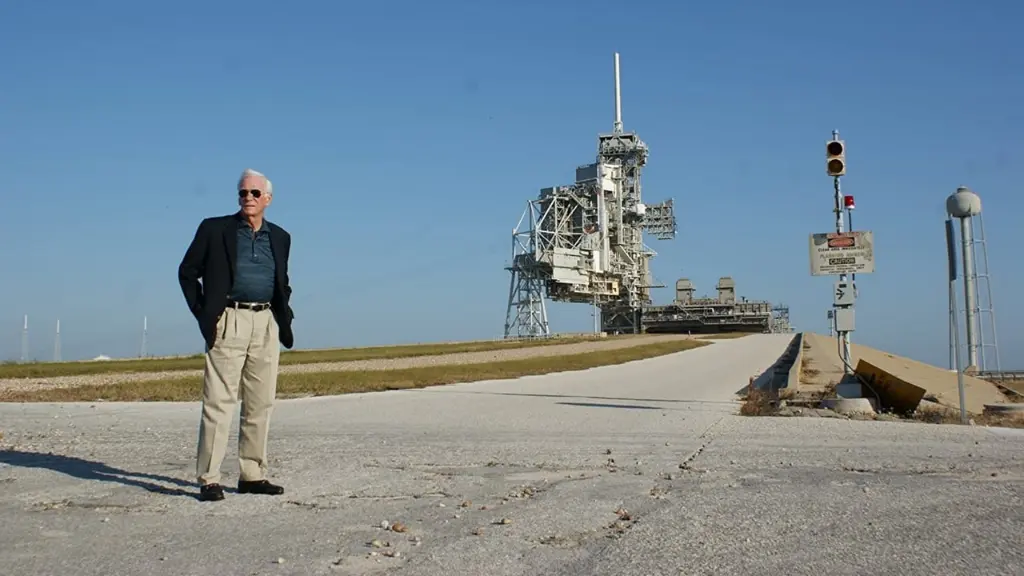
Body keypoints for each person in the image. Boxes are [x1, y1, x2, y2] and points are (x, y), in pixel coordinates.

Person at [177, 168, 295, 502]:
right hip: (228, 320)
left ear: (268, 199)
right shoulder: (215, 229)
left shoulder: (281, 237)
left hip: (265, 322)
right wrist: (204, 313)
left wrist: (284, 315)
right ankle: (210, 478)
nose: (248, 198)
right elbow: (187, 272)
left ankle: (252, 475)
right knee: (219, 402)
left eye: (255, 193)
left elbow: (281, 280)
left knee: (261, 402)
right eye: (243, 193)